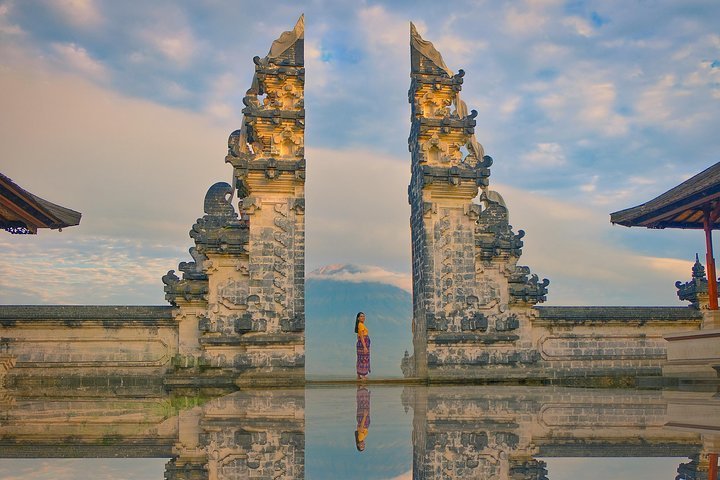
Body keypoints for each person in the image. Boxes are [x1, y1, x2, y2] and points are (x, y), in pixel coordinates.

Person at [354, 311, 370, 380]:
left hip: (362, 343)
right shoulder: (360, 325)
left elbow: (359, 335)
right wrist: (364, 347)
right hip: (363, 343)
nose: (363, 317)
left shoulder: (361, 325)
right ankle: (363, 375)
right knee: (363, 359)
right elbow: (361, 337)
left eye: (363, 316)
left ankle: (358, 375)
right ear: (358, 318)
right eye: (361, 316)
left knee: (360, 358)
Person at [354, 385, 371, 451]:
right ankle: (359, 386)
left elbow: (361, 427)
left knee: (363, 402)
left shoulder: (360, 438)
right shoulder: (360, 438)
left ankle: (362, 385)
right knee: (360, 403)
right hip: (361, 418)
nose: (363, 445)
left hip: (362, 418)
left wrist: (364, 416)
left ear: (358, 444)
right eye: (363, 446)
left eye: (361, 446)